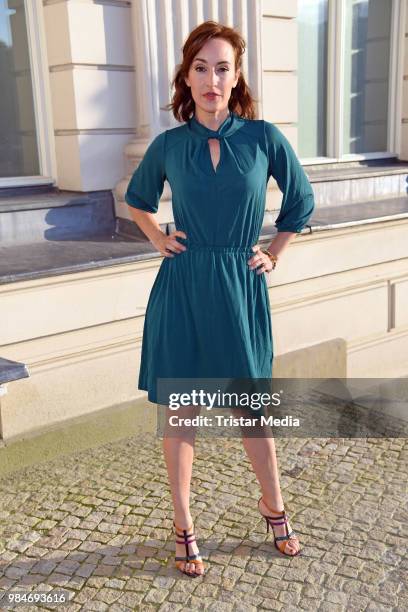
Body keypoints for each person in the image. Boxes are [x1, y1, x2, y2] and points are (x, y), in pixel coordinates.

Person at [125, 21, 315, 577]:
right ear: (187, 76)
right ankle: (184, 523)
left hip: (239, 284)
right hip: (183, 285)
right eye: (201, 67)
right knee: (181, 410)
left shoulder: (263, 139)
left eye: (223, 67)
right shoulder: (168, 145)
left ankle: (274, 506)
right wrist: (159, 236)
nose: (212, 78)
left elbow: (300, 201)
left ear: (237, 77)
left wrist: (274, 252)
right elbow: (138, 200)